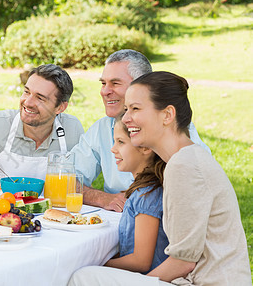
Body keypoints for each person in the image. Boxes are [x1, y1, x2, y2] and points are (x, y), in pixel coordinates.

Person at [68, 71, 251, 285]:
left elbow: (183, 262)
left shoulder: (184, 166)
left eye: (135, 109)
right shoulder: (183, 159)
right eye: (126, 109)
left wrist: (133, 280)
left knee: (83, 276)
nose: (126, 118)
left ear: (167, 115)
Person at [71, 49, 210, 212]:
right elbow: (65, 177)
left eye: (115, 83)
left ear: (141, 86)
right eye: (103, 83)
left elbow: (197, 187)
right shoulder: (101, 128)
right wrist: (103, 198)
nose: (105, 91)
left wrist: (140, 201)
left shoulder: (174, 130)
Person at [0, 64, 84, 182]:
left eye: (40, 98)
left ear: (60, 107)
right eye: (27, 92)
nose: (28, 102)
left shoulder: (72, 130)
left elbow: (79, 189)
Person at [105, 115, 168, 273]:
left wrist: (98, 263)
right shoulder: (142, 189)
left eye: (121, 142)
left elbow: (141, 262)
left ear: (145, 148)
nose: (113, 149)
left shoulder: (146, 195)